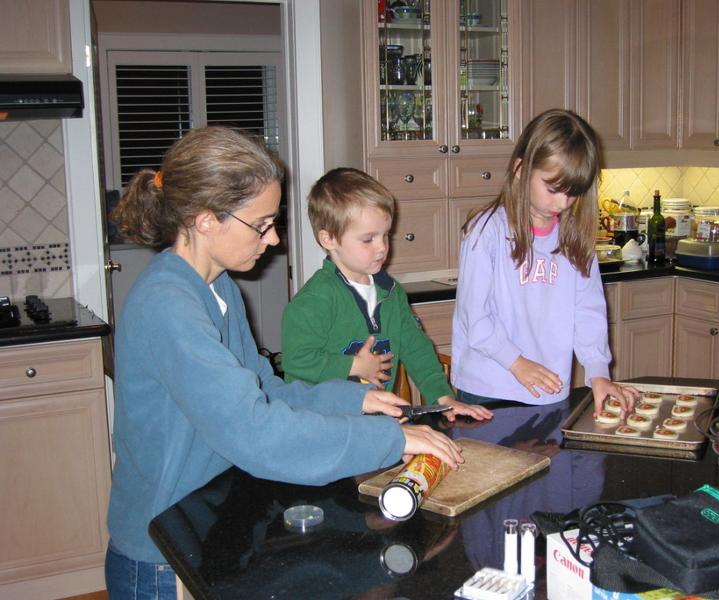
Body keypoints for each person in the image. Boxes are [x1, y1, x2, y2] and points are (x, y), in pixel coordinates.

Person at [105, 127, 463, 600]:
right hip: (162, 552)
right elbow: (255, 431)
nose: (273, 239)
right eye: (261, 224)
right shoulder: (168, 305)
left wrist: (354, 400)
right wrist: (390, 439)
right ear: (206, 219)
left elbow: (264, 390)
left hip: (211, 527)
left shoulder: (218, 287)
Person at [451, 109, 638, 417]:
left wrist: (598, 372)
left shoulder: (574, 237)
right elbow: (476, 318)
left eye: (573, 193)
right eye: (553, 189)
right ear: (520, 169)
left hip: (548, 391)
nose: (563, 203)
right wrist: (516, 362)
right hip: (488, 389)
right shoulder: (487, 231)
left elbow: (588, 311)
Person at [281, 167, 492, 422]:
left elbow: (416, 347)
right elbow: (297, 361)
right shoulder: (313, 301)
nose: (382, 247)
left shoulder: (392, 292)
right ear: (329, 239)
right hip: (324, 426)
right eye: (368, 239)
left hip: (376, 423)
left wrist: (442, 397)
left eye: (386, 235)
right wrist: (354, 366)